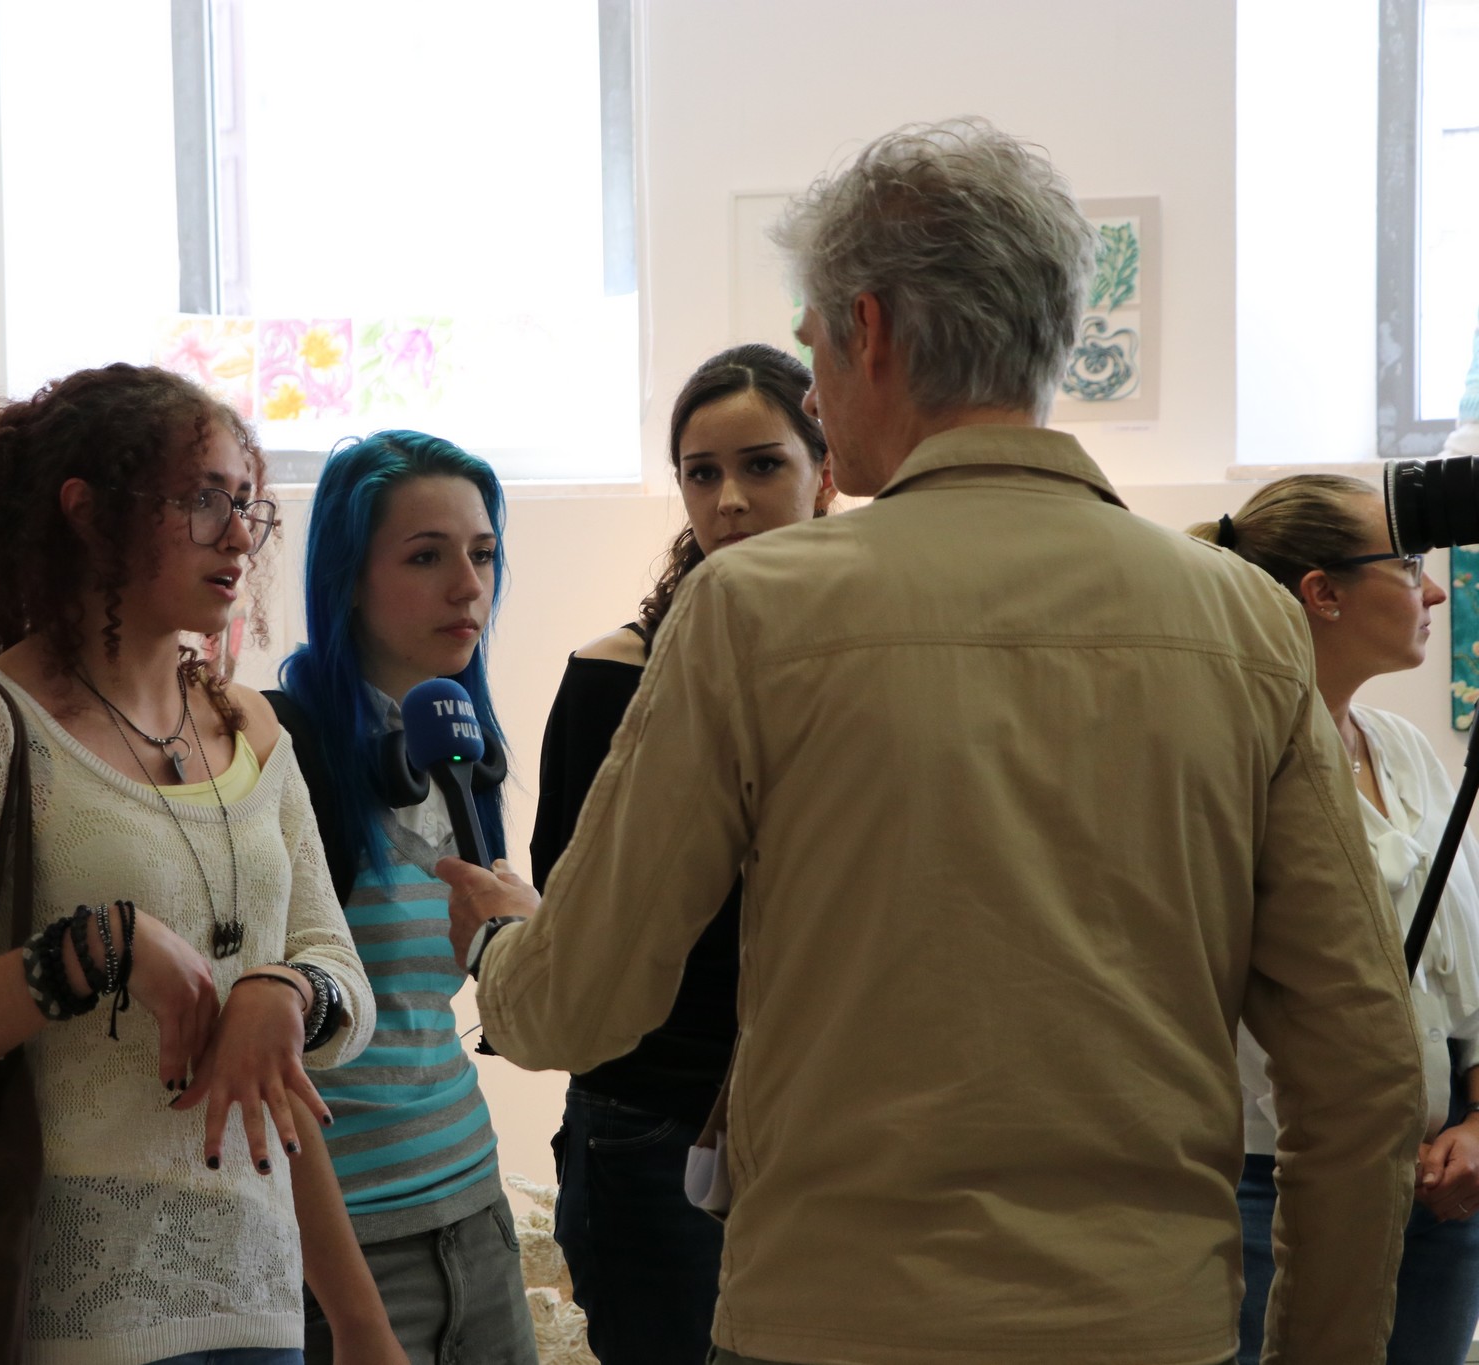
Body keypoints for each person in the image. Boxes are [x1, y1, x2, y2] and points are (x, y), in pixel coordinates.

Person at [441, 117, 1427, 1365]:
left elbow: (579, 1006)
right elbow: (1361, 1067)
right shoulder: (1243, 621)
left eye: (811, 342)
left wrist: (505, 945)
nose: (811, 388)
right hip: (1144, 1322)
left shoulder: (752, 610)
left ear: (866, 329)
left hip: (835, 1320)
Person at [0, 362, 383, 1364]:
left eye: (246, 504)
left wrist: (287, 992)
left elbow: (341, 978)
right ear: (88, 514)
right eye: (203, 499)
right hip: (71, 1319)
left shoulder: (251, 726)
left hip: (260, 1306)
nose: (238, 535)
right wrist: (94, 952)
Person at [528, 344, 829, 1363]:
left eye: (761, 465)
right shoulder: (614, 671)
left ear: (823, 472)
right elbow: (573, 909)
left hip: (829, 1117)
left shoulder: (871, 665)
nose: (729, 500)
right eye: (702, 474)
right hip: (655, 1115)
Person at [1190, 476, 1479, 1364]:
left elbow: (1467, 971)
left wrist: (1476, 1123)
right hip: (1271, 1183)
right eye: (1410, 564)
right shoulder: (1227, 759)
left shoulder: (1405, 749)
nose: (1436, 591)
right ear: (1323, 593)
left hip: (1441, 1184)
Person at [269, 430, 538, 1365]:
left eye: (483, 554)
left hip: (475, 1205)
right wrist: (353, 1313)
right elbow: (263, 1058)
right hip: (347, 1243)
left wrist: (526, 938)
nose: (469, 587)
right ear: (348, 578)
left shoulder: (462, 751)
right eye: (427, 557)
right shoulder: (282, 750)